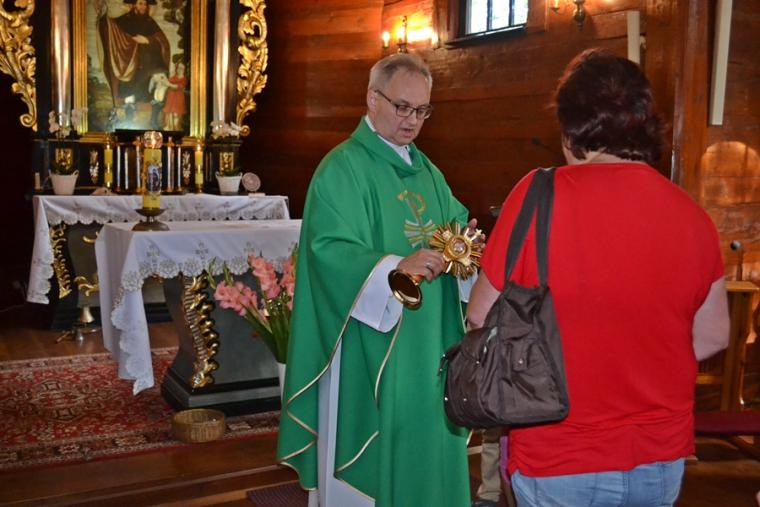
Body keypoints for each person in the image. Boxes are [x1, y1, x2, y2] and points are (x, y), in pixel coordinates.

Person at [466, 48, 730, 507]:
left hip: (559, 449)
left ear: (571, 129)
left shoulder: (537, 196)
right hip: (658, 453)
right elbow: (713, 335)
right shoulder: (692, 215)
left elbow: (481, 316)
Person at [277, 53, 477, 507]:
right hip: (369, 342)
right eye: (402, 107)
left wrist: (459, 252)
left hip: (429, 343)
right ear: (372, 98)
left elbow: (456, 229)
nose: (413, 120)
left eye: (422, 110)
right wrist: (394, 267)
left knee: (427, 443)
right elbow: (328, 251)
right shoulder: (341, 168)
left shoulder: (429, 172)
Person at [98, 0, 170, 106]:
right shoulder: (125, 19)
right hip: (129, 60)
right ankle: (129, 101)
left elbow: (162, 41)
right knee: (129, 93)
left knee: (150, 81)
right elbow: (112, 27)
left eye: (145, 4)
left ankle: (148, 98)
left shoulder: (149, 21)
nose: (143, 7)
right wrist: (103, 17)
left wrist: (147, 40)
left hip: (147, 63)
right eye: (140, 3)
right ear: (134, 4)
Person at [163, 61, 187, 131]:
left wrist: (168, 84)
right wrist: (164, 80)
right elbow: (167, 82)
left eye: (182, 68)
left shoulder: (184, 79)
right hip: (171, 98)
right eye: (179, 68)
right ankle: (169, 129)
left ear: (184, 70)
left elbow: (177, 86)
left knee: (176, 115)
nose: (180, 70)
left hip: (178, 98)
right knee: (169, 114)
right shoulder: (173, 77)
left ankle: (176, 130)